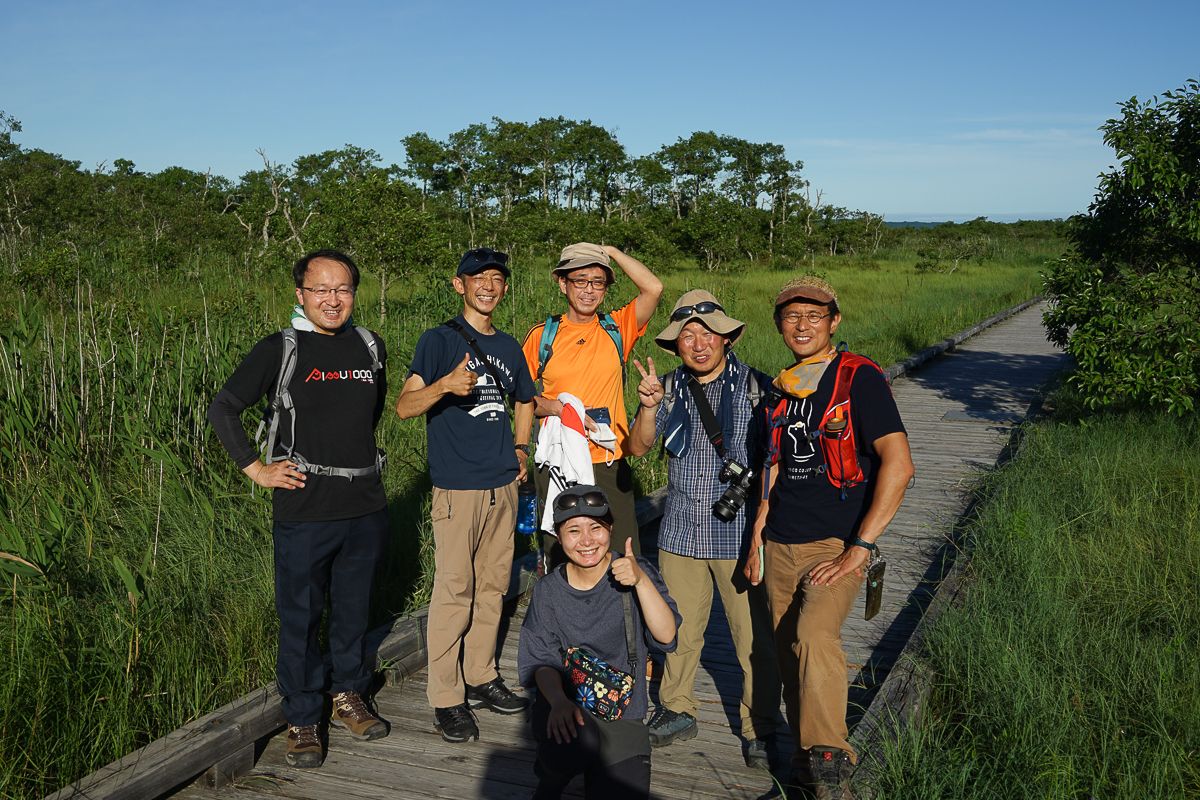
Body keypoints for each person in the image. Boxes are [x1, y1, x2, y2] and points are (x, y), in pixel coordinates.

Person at [207, 249, 389, 768]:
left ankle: (348, 696)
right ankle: (303, 716)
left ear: (355, 293)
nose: (333, 300)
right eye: (321, 291)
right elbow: (223, 410)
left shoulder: (370, 345)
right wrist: (256, 469)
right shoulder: (280, 349)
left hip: (365, 505)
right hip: (304, 510)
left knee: (353, 611)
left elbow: (366, 419)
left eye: (344, 290)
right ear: (301, 295)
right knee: (301, 617)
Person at [744, 276, 914, 800]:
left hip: (835, 546)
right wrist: (756, 541)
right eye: (792, 316)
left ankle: (830, 756)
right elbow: (772, 472)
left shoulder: (857, 378)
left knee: (815, 637)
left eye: (814, 316)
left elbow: (899, 464)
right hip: (780, 544)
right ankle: (803, 760)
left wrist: (859, 547)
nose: (802, 325)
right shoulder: (781, 389)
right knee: (790, 657)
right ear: (779, 325)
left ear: (834, 321)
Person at [625, 290, 781, 768]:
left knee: (752, 635)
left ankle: (759, 726)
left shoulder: (759, 388)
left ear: (727, 337)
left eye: (707, 333)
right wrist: (649, 406)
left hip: (740, 536)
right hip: (681, 531)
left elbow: (776, 461)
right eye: (687, 335)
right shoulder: (667, 388)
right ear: (676, 345)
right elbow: (637, 447)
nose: (698, 343)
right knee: (678, 629)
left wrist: (764, 523)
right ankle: (676, 707)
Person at [395, 247, 535, 743]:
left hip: (503, 485)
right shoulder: (438, 340)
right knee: (454, 592)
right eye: (479, 278)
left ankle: (481, 675)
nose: (489, 286)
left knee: (494, 587)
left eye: (497, 278)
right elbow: (404, 407)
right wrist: (445, 385)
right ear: (460, 285)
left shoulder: (511, 346)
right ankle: (447, 697)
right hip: (457, 488)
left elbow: (525, 400)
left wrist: (521, 449)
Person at [517, 485, 681, 799]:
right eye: (573, 531)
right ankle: (553, 773)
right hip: (570, 705)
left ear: (611, 528)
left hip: (623, 710)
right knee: (567, 750)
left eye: (596, 528)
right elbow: (540, 656)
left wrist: (641, 581)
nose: (587, 540)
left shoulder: (635, 573)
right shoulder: (548, 590)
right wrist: (558, 701)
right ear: (559, 536)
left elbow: (667, 636)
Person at [521, 243, 662, 561]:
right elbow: (521, 398)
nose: (589, 290)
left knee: (622, 556)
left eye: (598, 282)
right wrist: (558, 408)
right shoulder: (542, 336)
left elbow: (653, 287)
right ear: (562, 283)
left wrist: (611, 252)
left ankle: (622, 612)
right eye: (580, 280)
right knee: (562, 556)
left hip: (608, 462)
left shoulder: (617, 328)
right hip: (559, 464)